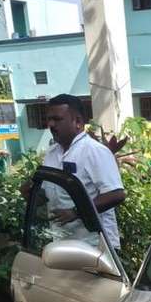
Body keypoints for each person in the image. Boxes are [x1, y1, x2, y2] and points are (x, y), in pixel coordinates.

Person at [37, 94, 126, 249]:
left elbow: (116, 194)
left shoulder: (94, 151)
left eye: (57, 119)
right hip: (62, 245)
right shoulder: (51, 154)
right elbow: (47, 195)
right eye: (49, 119)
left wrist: (76, 212)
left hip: (95, 248)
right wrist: (31, 192)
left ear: (78, 122)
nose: (51, 124)